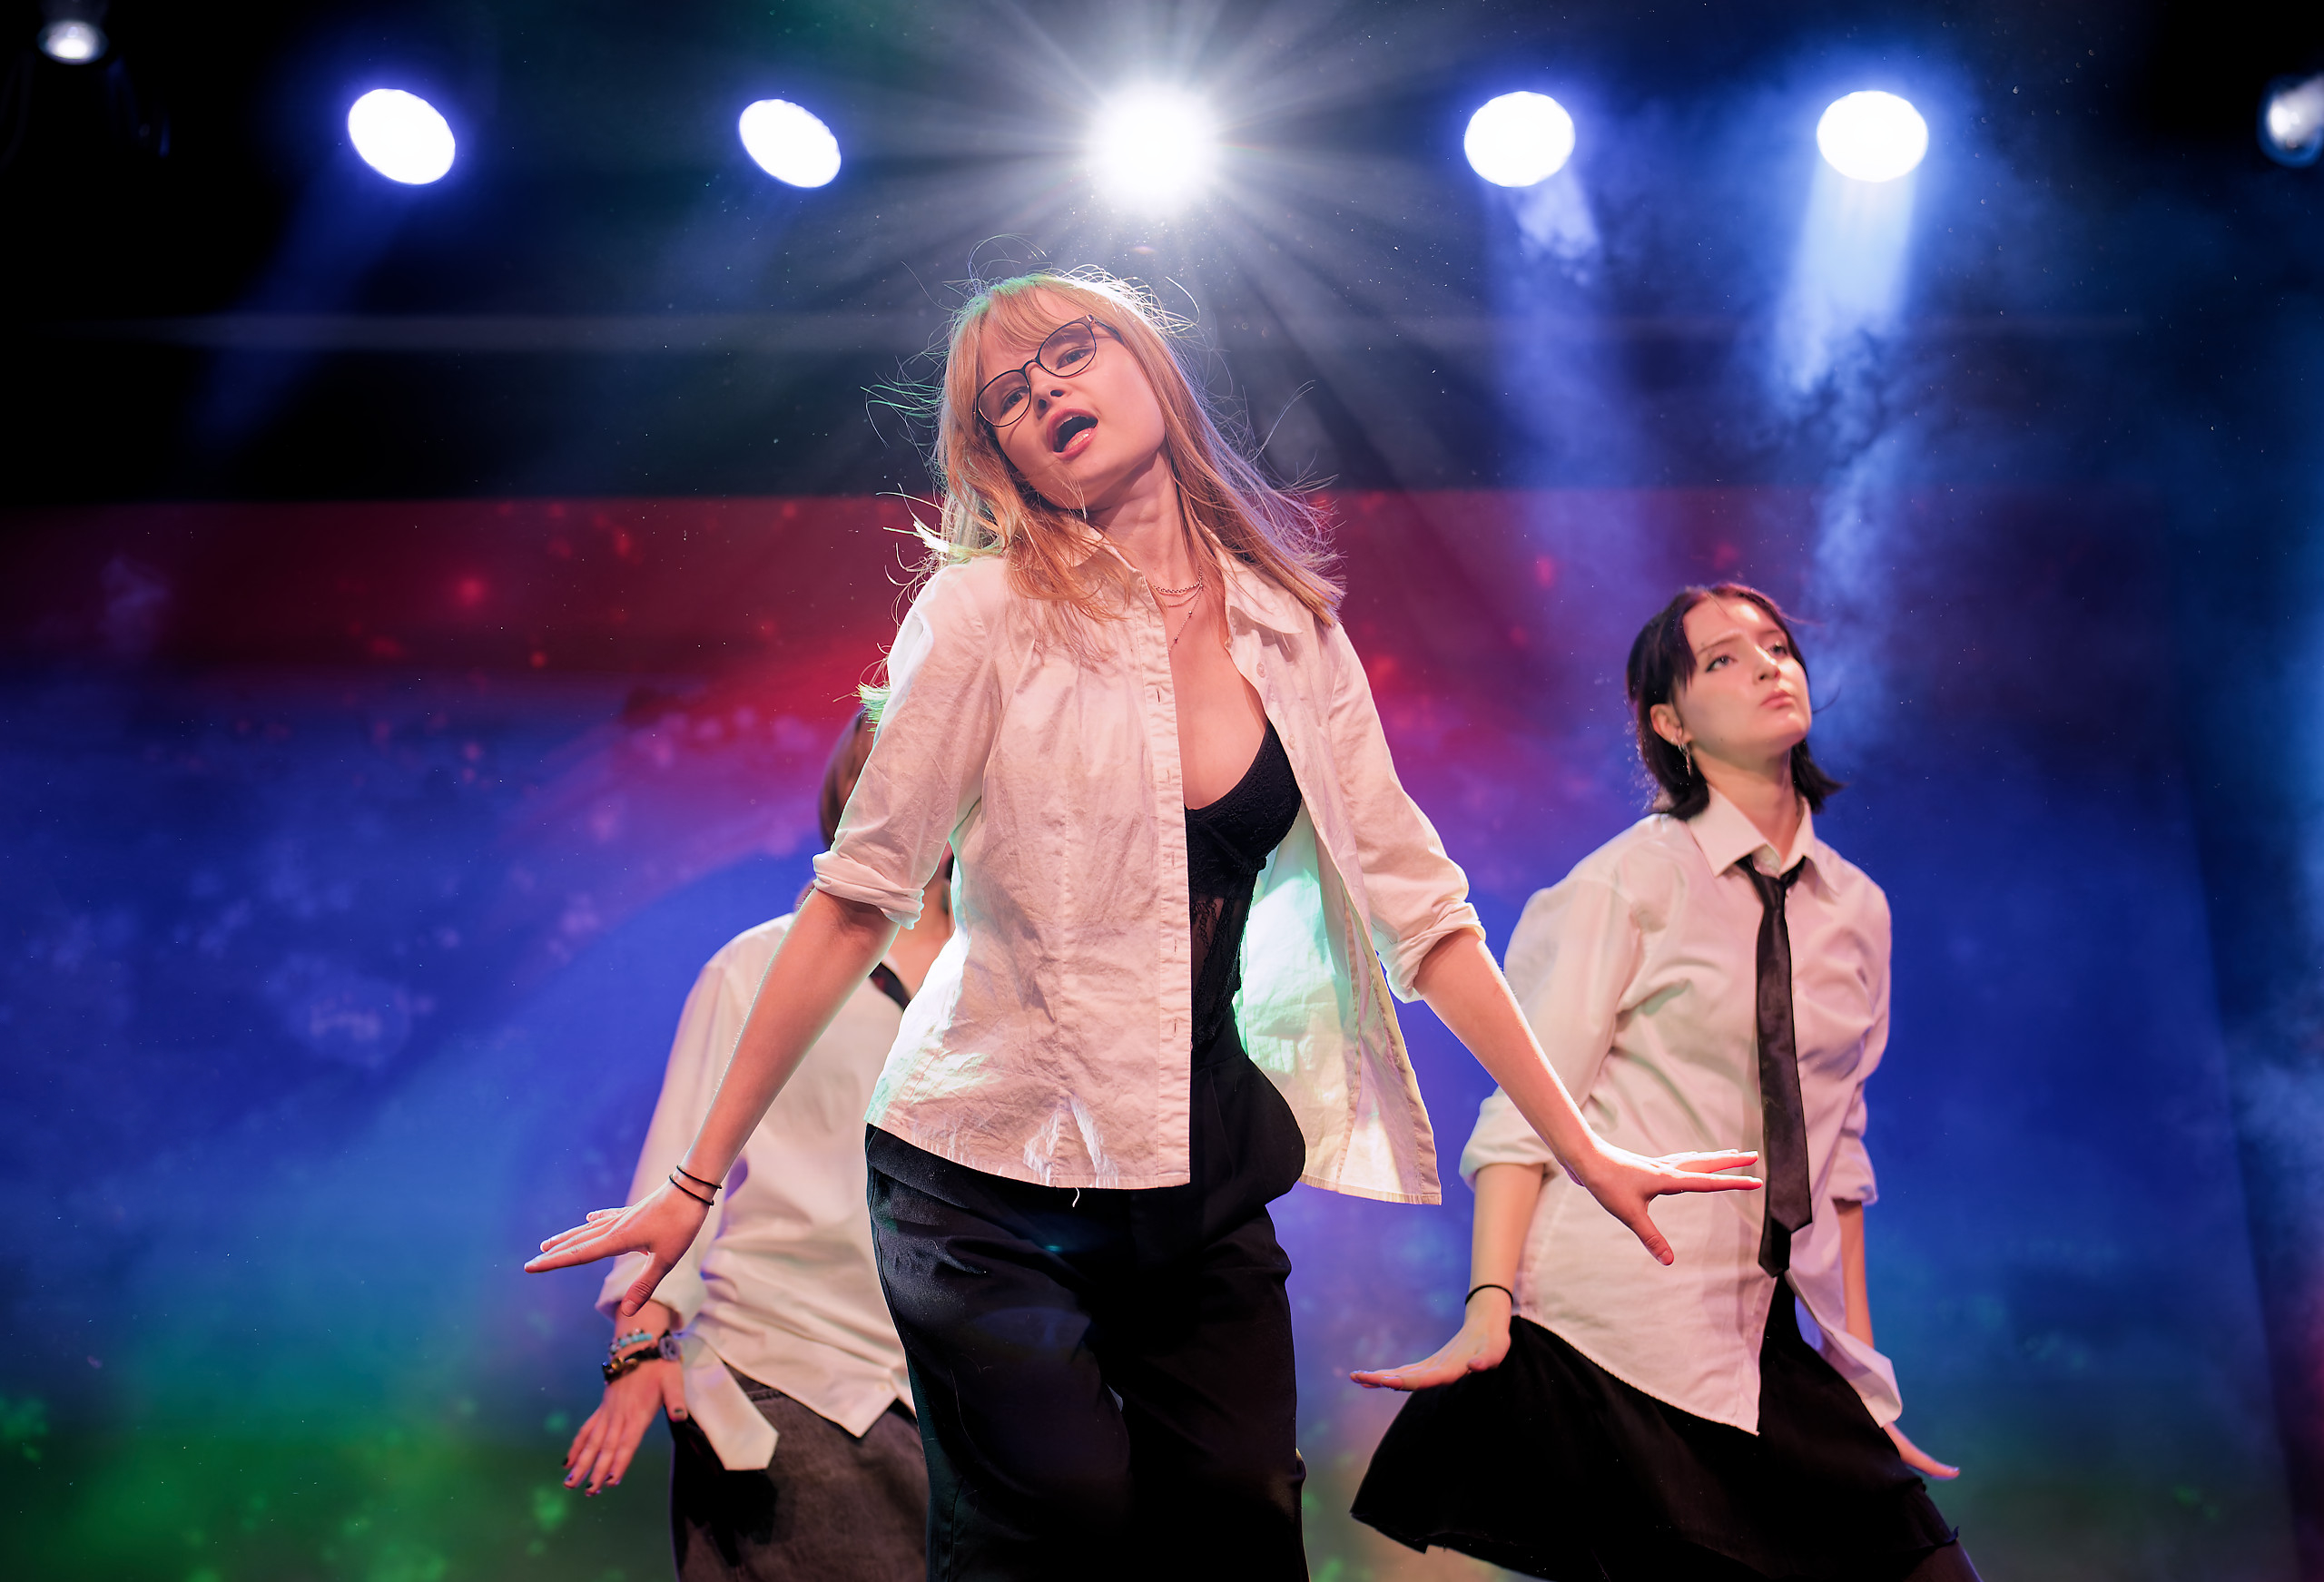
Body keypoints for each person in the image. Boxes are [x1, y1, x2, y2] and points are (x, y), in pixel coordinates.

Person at [527, 269, 1760, 1580]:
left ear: (1147, 362)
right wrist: (693, 1184)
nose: (1045, 391)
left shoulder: (1292, 629)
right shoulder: (982, 614)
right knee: (1066, 1515)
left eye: (1069, 351)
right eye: (1008, 396)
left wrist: (1583, 1145)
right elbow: (853, 899)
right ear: (1001, 457)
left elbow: (1425, 912)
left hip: (1196, 1173)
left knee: (1240, 1510)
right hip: (982, 1179)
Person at [1347, 583, 1978, 1582]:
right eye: (1723, 658)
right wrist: (1488, 1301)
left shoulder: (1857, 910)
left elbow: (1837, 1157)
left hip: (1760, 1337)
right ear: (1669, 721)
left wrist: (1861, 1377)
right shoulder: (1624, 883)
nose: (1768, 665)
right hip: (1613, 1333)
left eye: (1776, 647)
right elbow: (1525, 1115)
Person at [560, 709, 947, 1581]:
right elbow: (676, 1168)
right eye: (884, 770)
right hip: (786, 1372)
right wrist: (637, 1349)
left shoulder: (1005, 983)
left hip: (959, 1398)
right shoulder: (757, 969)